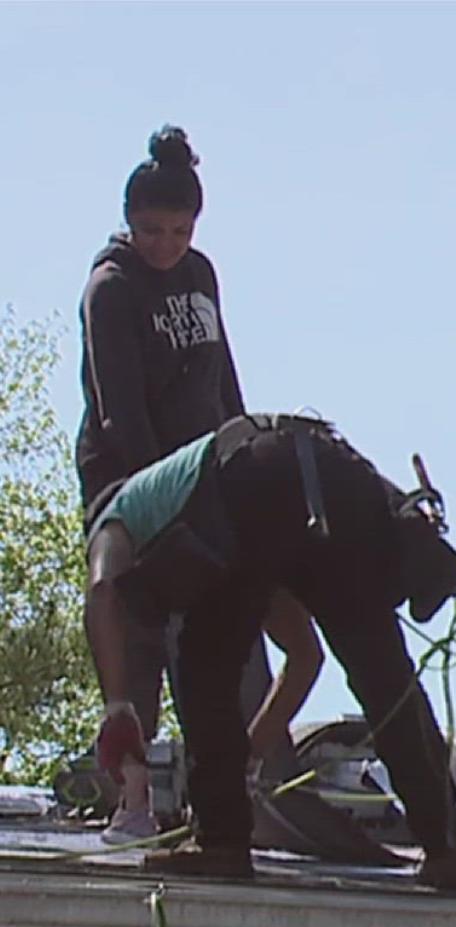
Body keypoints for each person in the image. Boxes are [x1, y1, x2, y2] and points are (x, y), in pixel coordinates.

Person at [87, 412, 456, 889]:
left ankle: (221, 842)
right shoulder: (258, 551)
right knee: (383, 672)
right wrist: (246, 757)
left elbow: (102, 591)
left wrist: (118, 707)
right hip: (334, 476)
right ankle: (446, 848)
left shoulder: (119, 513)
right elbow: (304, 658)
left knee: (204, 656)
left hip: (258, 474)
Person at [75, 125, 273, 843]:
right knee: (138, 631)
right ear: (130, 222)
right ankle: (132, 796)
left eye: (180, 231)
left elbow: (222, 378)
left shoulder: (200, 275)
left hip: (205, 482)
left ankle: (237, 790)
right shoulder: (111, 289)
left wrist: (245, 455)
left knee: (229, 628)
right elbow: (119, 409)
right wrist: (160, 502)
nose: (166, 244)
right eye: (152, 230)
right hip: (135, 484)